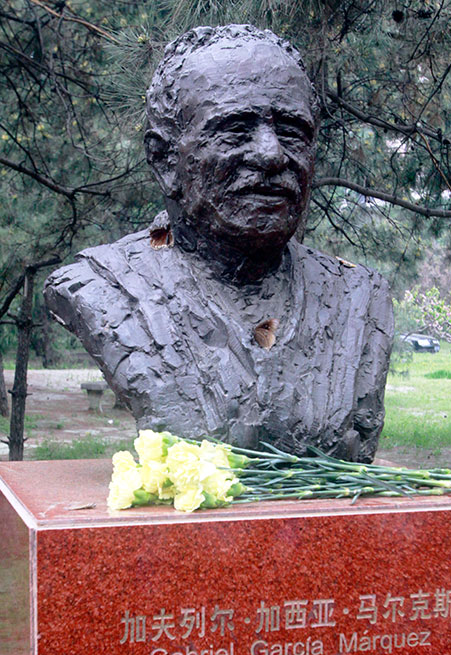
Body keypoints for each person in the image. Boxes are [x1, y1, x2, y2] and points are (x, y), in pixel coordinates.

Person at [44, 25, 393, 462]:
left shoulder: (359, 298)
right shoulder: (99, 289)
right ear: (164, 159)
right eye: (234, 130)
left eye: (292, 131)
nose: (271, 155)